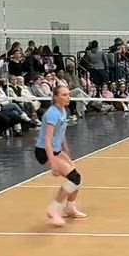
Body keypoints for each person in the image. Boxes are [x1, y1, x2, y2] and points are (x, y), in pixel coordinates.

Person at [36, 85, 86, 227]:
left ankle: (69, 208)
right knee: (74, 179)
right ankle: (53, 210)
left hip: (57, 150)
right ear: (56, 97)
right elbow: (47, 140)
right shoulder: (52, 114)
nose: (68, 97)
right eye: (64, 95)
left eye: (68, 94)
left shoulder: (64, 111)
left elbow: (61, 133)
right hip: (44, 151)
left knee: (77, 178)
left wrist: (66, 151)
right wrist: (53, 164)